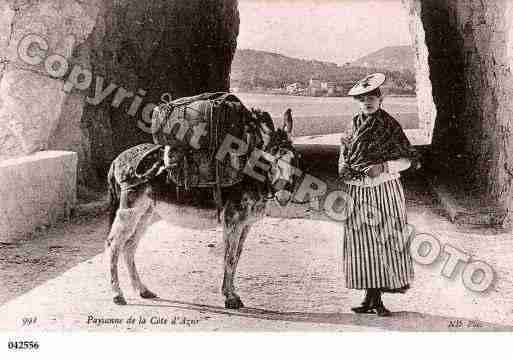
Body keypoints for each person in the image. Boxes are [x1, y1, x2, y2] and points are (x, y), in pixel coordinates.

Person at [338, 73, 418, 316]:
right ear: (357, 102)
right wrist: (347, 171)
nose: (367, 102)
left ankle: (379, 299)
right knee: (363, 244)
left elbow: (408, 160)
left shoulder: (390, 125)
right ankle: (368, 298)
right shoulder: (352, 126)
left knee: (384, 241)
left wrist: (384, 167)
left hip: (384, 190)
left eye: (372, 97)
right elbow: (345, 155)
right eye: (362, 99)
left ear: (380, 98)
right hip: (359, 191)